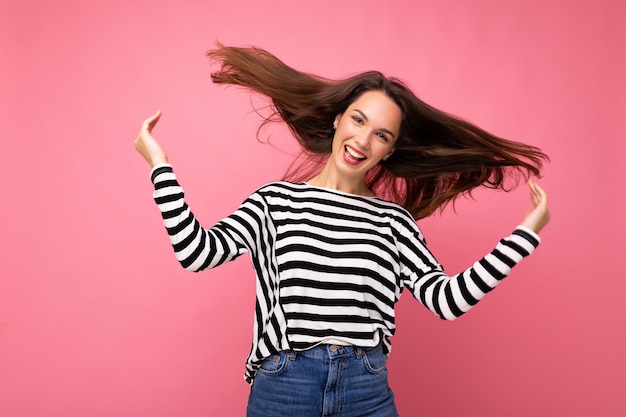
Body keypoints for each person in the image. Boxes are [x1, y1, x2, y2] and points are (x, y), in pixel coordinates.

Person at [134, 43, 550, 417]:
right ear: (338, 119)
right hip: (285, 387)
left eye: (381, 134)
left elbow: (447, 300)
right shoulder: (275, 202)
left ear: (390, 149)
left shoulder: (394, 223)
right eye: (358, 120)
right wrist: (159, 165)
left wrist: (526, 234)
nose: (363, 140)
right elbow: (195, 252)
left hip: (364, 388)